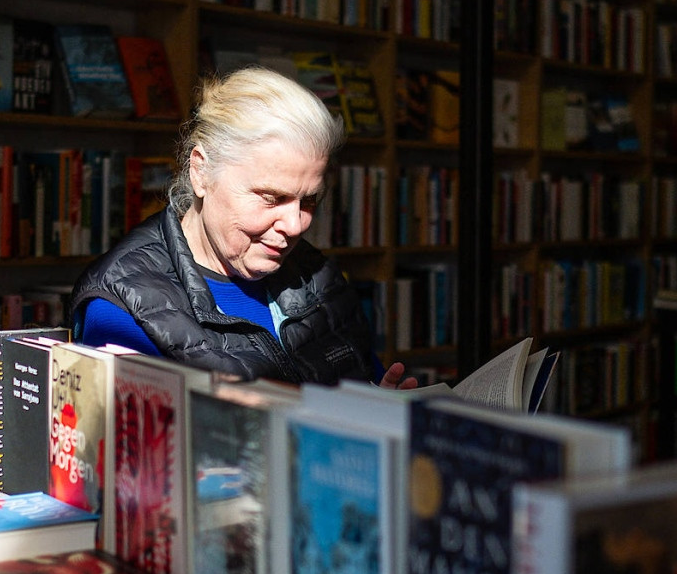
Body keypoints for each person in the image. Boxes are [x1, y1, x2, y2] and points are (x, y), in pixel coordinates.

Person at [68, 66, 416, 389]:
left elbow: (360, 377)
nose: (296, 225)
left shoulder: (318, 275)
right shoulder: (121, 309)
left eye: (309, 201)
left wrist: (380, 408)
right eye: (271, 197)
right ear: (201, 172)